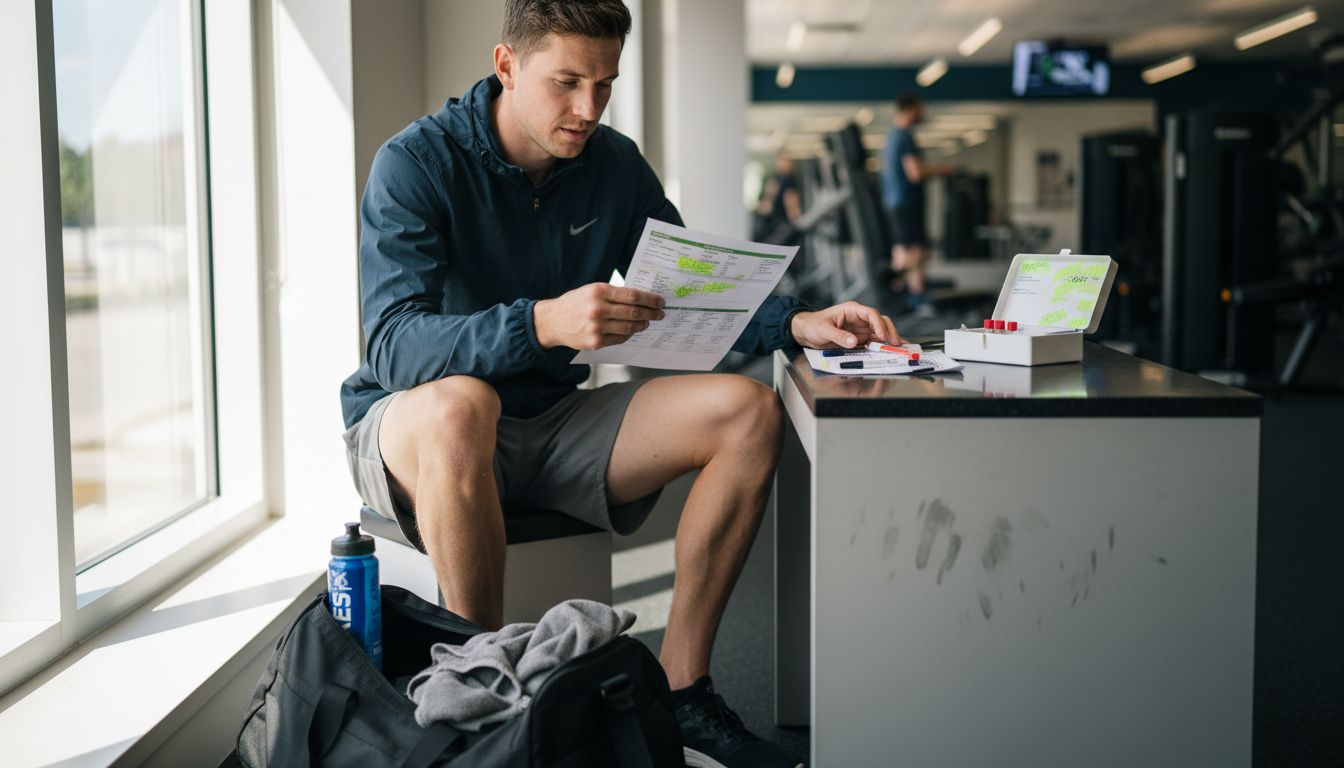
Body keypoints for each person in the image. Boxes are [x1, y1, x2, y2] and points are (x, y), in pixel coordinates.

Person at [339, 2, 900, 765]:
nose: (585, 110)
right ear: (505, 66)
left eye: (603, 85)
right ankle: (488, 702)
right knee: (460, 404)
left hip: (549, 418)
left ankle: (683, 689)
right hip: (419, 426)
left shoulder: (613, 164)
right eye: (566, 82)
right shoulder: (417, 163)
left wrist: (798, 323)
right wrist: (541, 323)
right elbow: (393, 348)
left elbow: (688, 297)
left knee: (746, 410)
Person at [881, 93, 954, 303]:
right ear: (911, 108)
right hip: (905, 202)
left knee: (907, 250)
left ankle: (914, 295)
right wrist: (943, 169)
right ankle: (894, 291)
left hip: (897, 202)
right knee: (914, 252)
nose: (923, 112)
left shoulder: (892, 136)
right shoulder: (904, 136)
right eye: (921, 108)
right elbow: (915, 173)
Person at [752, 152, 802, 243]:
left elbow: (792, 206)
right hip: (770, 226)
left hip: (780, 225)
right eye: (782, 160)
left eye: (788, 161)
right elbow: (763, 204)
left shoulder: (789, 181)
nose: (784, 164)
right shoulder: (772, 179)